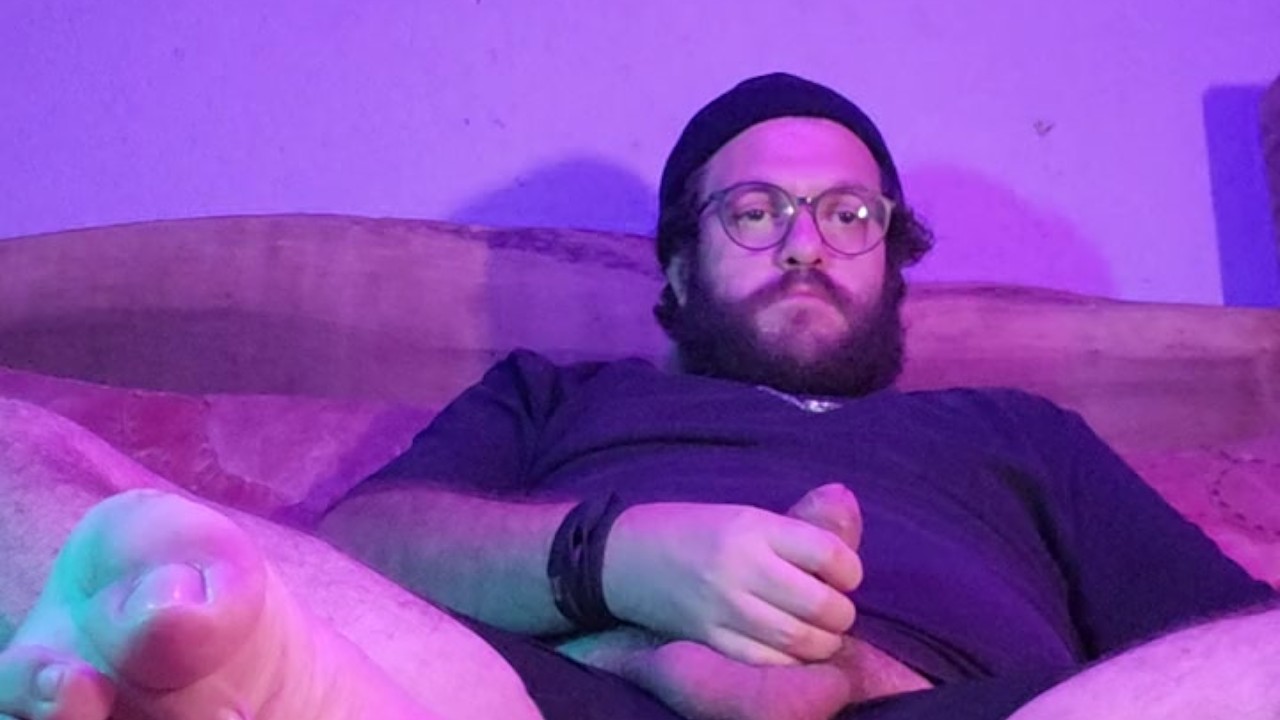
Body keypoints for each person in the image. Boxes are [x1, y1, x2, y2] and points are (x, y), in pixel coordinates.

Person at [0, 72, 1276, 720]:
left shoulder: (1020, 434)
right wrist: (612, 562)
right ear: (675, 264)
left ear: (891, 258)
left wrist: (864, 670)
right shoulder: (555, 392)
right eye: (753, 210)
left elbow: (1227, 638)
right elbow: (366, 545)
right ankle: (274, 676)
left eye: (847, 214)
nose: (803, 245)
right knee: (30, 464)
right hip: (549, 702)